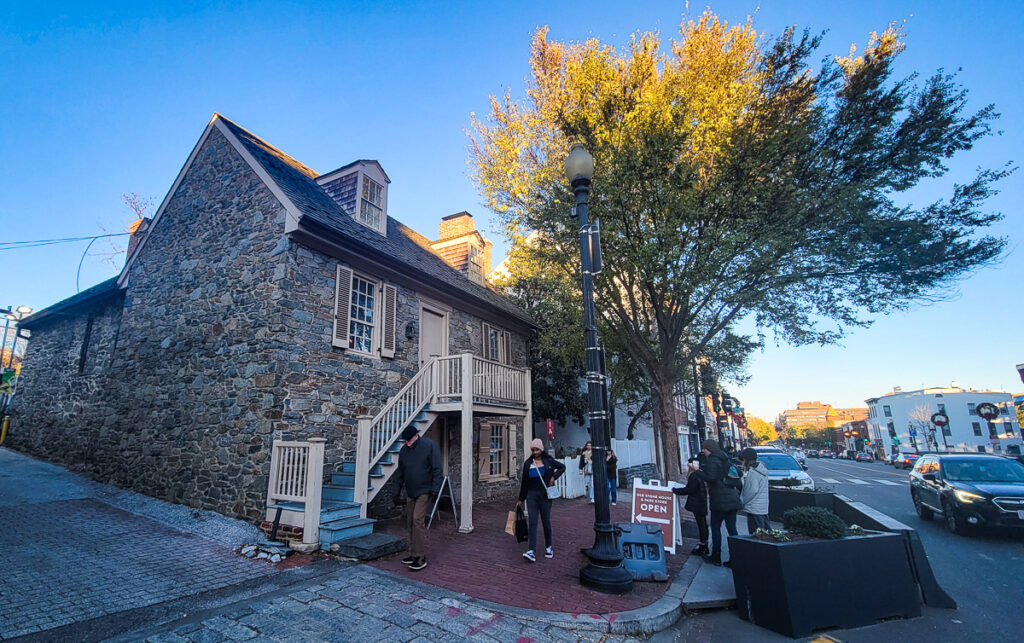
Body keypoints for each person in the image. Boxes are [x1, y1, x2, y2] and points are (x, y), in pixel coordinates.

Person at [393, 424, 442, 571]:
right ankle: (413, 553)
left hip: (424, 490)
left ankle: (420, 558)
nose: (407, 443)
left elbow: (437, 468)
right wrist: (395, 493)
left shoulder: (428, 445)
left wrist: (435, 490)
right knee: (409, 521)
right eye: (405, 441)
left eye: (409, 440)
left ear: (416, 436)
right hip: (411, 491)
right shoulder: (404, 451)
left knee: (417, 520)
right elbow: (399, 474)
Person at [689, 439, 741, 566]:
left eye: (704, 449)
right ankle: (737, 557)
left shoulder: (713, 460)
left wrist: (697, 471)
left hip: (720, 499)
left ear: (708, 449)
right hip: (732, 498)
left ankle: (716, 556)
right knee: (732, 529)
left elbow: (711, 477)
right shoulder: (725, 458)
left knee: (716, 528)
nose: (703, 451)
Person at [517, 438, 566, 562]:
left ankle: (548, 546)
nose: (535, 452)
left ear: (541, 449)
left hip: (544, 495)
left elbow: (562, 467)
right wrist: (521, 498)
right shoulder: (529, 463)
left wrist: (553, 477)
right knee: (533, 521)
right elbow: (525, 482)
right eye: (533, 449)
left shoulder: (548, 461)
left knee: (546, 521)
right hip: (531, 494)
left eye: (537, 449)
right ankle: (531, 550)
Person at [673, 454, 709, 556]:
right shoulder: (701, 474)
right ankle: (704, 544)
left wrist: (675, 490)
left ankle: (703, 545)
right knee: (703, 523)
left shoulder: (694, 475)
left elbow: (689, 489)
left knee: (701, 524)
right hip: (701, 501)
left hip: (697, 502)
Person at [739, 448, 770, 533]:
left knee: (756, 534)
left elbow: (750, 491)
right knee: (765, 533)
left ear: (746, 460)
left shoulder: (753, 473)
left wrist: (742, 502)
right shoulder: (762, 470)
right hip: (762, 507)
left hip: (754, 507)